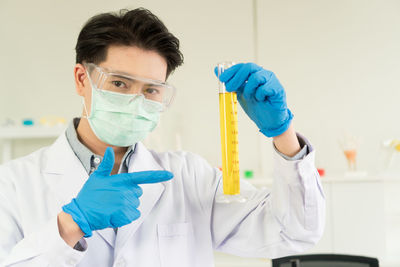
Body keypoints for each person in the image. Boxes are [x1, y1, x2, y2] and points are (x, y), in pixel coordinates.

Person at [0, 8, 325, 267]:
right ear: (82, 79)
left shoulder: (189, 178)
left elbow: (294, 233)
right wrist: (71, 223)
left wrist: (282, 132)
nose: (136, 99)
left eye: (151, 89)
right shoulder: (13, 185)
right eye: (119, 83)